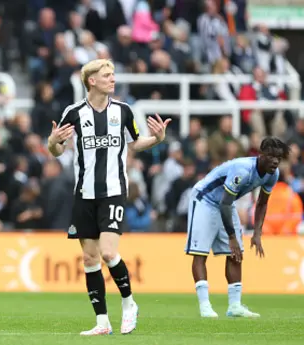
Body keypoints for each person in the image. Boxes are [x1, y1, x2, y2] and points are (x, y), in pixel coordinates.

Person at [47, 59, 170, 336]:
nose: (112, 79)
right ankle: (102, 322)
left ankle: (129, 304)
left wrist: (157, 140)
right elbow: (56, 149)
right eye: (106, 75)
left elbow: (134, 143)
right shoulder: (74, 112)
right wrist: (53, 141)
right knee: (90, 260)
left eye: (113, 74)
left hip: (113, 191)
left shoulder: (124, 111)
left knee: (108, 252)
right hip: (84, 193)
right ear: (92, 81)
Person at [185, 137, 289, 318]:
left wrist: (257, 233)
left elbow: (262, 203)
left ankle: (234, 306)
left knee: (236, 254)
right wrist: (232, 236)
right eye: (271, 156)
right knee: (200, 253)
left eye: (278, 158)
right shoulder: (243, 170)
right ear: (260, 154)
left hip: (226, 203)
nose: (275, 161)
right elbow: (225, 203)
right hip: (205, 199)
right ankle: (205, 306)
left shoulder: (273, 174)